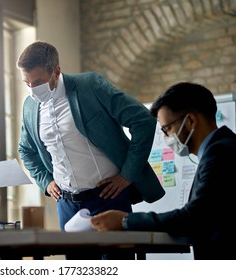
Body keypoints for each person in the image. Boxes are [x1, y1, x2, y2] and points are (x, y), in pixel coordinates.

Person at [16, 41, 165, 259]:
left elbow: (143, 121)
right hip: (66, 205)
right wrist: (46, 182)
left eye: (37, 82)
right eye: (26, 83)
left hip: (108, 199)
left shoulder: (90, 85)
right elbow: (26, 151)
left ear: (56, 72)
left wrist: (127, 175)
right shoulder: (29, 105)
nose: (31, 90)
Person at [91, 82, 236, 260]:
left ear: (191, 121)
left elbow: (193, 217)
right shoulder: (221, 149)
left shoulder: (220, 154)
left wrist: (125, 221)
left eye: (167, 129)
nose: (167, 138)